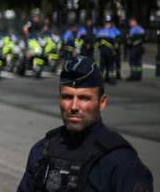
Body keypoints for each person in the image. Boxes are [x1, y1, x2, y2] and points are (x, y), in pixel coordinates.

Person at [17, 55, 153, 191]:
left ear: (102, 102)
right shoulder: (42, 151)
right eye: (67, 97)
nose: (74, 106)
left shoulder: (122, 163)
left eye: (84, 98)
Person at [95, 20, 119, 85]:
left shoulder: (100, 32)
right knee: (111, 65)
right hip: (110, 52)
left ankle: (99, 80)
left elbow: (97, 42)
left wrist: (97, 48)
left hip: (102, 51)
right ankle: (111, 80)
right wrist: (115, 50)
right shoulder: (111, 32)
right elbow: (115, 43)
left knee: (102, 66)